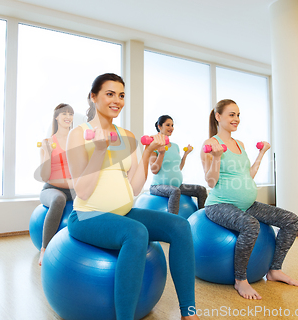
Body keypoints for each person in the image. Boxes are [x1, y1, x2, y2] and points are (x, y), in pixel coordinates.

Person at [66, 73, 199, 320]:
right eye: (109, 94)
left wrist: (148, 151)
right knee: (136, 232)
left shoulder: (127, 136)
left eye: (121, 95)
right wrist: (99, 151)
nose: (117, 100)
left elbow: (135, 187)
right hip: (87, 216)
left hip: (123, 212)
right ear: (93, 97)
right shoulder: (78, 134)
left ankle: (188, 313)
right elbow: (82, 191)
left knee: (180, 225)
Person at [200, 99, 298, 300]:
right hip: (220, 205)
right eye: (231, 114)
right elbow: (210, 182)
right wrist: (218, 158)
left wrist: (261, 153)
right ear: (218, 117)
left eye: (238, 115)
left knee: (291, 220)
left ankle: (274, 270)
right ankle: (240, 280)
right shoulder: (210, 144)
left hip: (246, 205)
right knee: (251, 225)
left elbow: (248, 175)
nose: (236, 119)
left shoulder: (240, 144)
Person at [37, 103, 76, 266]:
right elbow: (45, 176)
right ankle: (45, 249)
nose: (68, 116)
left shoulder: (77, 142)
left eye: (70, 114)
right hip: (52, 189)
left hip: (74, 189)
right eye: (63, 113)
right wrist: (48, 152)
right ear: (56, 117)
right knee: (59, 200)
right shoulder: (48, 142)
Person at [149, 115, 207, 214]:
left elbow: (178, 167)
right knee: (175, 191)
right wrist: (161, 154)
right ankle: (173, 221)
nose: (171, 128)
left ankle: (202, 218)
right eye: (168, 125)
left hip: (176, 185)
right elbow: (154, 170)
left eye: (172, 125)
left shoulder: (175, 146)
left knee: (201, 190)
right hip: (158, 186)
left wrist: (185, 154)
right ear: (159, 126)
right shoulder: (153, 145)